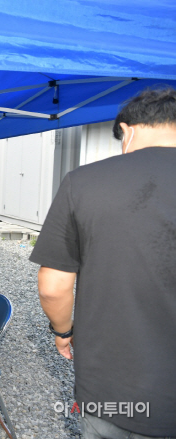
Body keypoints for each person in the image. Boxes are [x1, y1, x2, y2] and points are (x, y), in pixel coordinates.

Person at [30, 87, 176, 438]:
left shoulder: (84, 183)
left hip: (114, 390)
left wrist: (63, 333)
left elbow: (53, 287)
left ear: (128, 130)